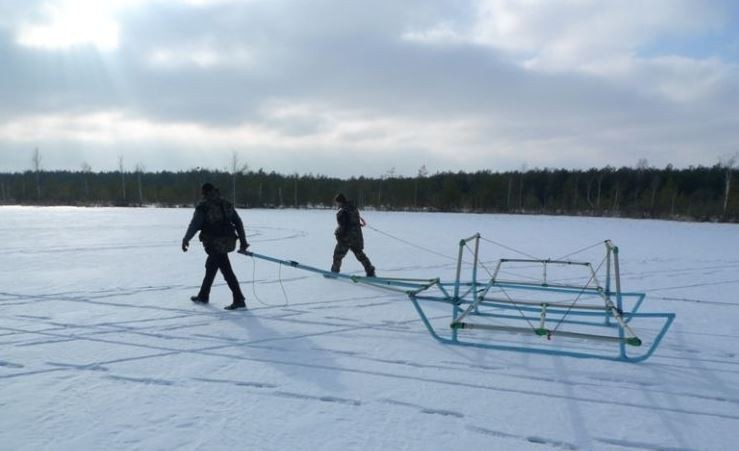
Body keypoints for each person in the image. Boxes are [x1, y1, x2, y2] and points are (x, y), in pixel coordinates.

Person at [182, 183, 248, 310]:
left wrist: (186, 239)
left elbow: (195, 225)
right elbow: (238, 222)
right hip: (228, 241)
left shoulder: (204, 207)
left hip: (214, 244)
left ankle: (239, 299)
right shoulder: (226, 204)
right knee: (211, 267)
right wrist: (243, 242)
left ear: (204, 193)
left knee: (226, 270)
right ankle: (203, 295)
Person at [331, 193, 375, 277]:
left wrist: (338, 234)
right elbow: (353, 222)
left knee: (337, 255)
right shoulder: (353, 208)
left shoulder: (342, 212)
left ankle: (334, 272)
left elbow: (343, 228)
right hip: (356, 238)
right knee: (360, 255)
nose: (336, 204)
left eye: (336, 202)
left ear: (340, 202)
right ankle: (370, 271)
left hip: (346, 239)